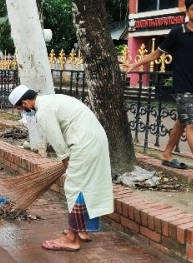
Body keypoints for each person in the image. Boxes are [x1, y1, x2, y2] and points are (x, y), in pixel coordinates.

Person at [125, 0, 193, 182]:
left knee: (182, 122)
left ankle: (167, 154)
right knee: (192, 123)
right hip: (181, 86)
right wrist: (135, 65)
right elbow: (156, 54)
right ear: (187, 11)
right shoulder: (177, 33)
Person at [8, 84, 114, 251]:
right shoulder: (53, 100)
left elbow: (57, 140)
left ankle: (71, 238)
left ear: (26, 102)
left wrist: (65, 160)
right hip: (96, 140)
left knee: (75, 188)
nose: (23, 112)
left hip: (84, 144)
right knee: (88, 185)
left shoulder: (43, 111)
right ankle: (82, 230)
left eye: (21, 109)